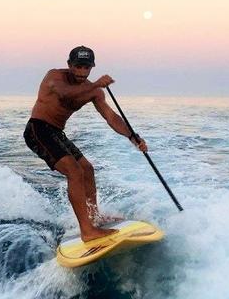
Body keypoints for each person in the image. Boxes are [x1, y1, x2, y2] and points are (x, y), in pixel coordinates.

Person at [24, 46, 148, 242]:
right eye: (78, 66)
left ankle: (94, 217)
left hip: (56, 133)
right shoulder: (55, 77)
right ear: (69, 65)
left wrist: (133, 137)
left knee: (87, 170)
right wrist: (96, 84)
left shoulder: (94, 91)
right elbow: (65, 94)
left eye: (86, 68)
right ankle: (87, 231)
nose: (82, 72)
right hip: (37, 130)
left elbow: (111, 117)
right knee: (74, 171)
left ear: (92, 67)